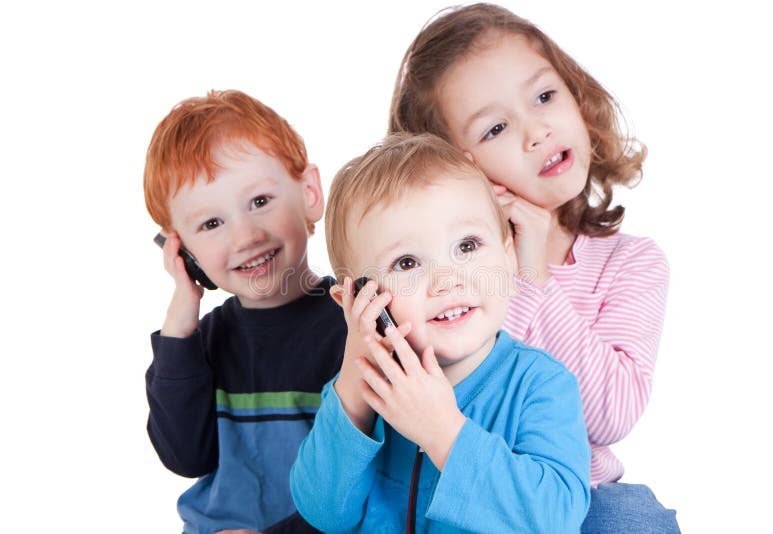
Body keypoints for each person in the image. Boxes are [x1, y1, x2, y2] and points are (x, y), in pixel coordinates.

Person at [388, 4, 677, 532]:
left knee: (634, 519)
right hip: (459, 492)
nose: (536, 131)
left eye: (545, 96)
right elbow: (449, 400)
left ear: (576, 96)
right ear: (456, 167)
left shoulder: (631, 263)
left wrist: (534, 280)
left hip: (579, 495)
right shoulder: (439, 279)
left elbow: (612, 415)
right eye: (495, 127)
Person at [290, 133, 590, 533]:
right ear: (355, 301)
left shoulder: (540, 385)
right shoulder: (363, 397)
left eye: (468, 245)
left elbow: (555, 519)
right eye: (407, 262)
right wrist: (352, 391)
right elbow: (322, 511)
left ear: (508, 257)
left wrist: (444, 432)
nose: (446, 280)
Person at [142, 89, 346, 534]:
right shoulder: (199, 344)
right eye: (211, 224)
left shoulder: (353, 326)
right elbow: (184, 456)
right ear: (182, 249)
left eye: (260, 202)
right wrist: (181, 320)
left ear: (309, 192)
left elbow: (362, 483)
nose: (245, 236)